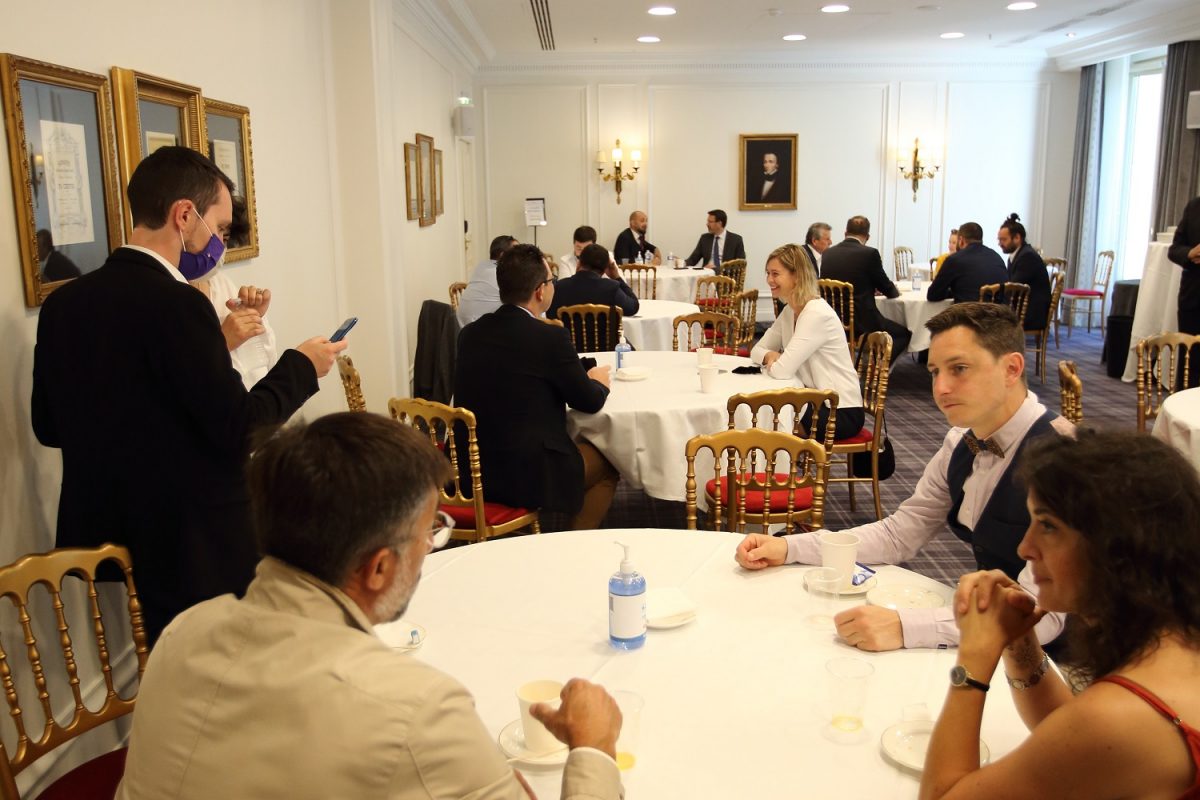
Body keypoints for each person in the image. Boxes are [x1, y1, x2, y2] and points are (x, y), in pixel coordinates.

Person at [115, 412, 624, 800]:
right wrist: (593, 749)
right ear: (378, 568)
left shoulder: (183, 632)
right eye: (430, 532)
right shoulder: (418, 709)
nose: (431, 546)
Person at [31, 146, 345, 644]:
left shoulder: (63, 304)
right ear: (183, 216)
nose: (219, 242)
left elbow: (49, 426)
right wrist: (302, 366)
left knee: (166, 661)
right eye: (218, 228)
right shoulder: (179, 304)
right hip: (190, 534)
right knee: (220, 662)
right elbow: (240, 426)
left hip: (106, 526)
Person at [736, 303, 1071, 652]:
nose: (941, 388)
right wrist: (790, 547)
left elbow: (1044, 615)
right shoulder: (962, 441)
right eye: (935, 371)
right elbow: (900, 534)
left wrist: (905, 626)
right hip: (994, 629)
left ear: (1012, 369)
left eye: (959, 369)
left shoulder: (1063, 460)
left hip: (1071, 659)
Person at [920, 431, 1200, 800]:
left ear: (1117, 545)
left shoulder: (1118, 717)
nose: (1025, 548)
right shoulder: (1177, 636)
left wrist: (973, 658)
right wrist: (1018, 641)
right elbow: (1071, 740)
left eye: (1048, 526)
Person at [455, 244, 619, 530]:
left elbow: (517, 370)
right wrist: (599, 383)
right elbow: (589, 401)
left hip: (471, 470)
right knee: (610, 462)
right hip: (527, 475)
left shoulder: (470, 334)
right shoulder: (549, 338)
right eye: (551, 280)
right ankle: (573, 543)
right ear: (540, 291)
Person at [751, 243, 864, 440]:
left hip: (838, 410)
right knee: (766, 411)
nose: (769, 280)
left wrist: (775, 360)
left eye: (775, 274)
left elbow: (781, 371)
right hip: (813, 400)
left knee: (769, 418)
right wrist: (770, 355)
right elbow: (756, 350)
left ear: (797, 276)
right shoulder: (790, 310)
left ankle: (775, 459)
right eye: (768, 273)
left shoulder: (816, 313)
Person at [189, 197, 278, 389]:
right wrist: (221, 343)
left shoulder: (222, 285)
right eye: (218, 230)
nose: (219, 246)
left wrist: (255, 319)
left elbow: (266, 367)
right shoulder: (168, 297)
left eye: (225, 236)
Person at [819, 215, 912, 364]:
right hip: (861, 322)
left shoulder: (827, 253)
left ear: (845, 233)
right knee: (903, 334)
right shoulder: (870, 254)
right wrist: (893, 290)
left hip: (832, 317)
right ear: (867, 237)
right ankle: (879, 368)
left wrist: (868, 288)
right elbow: (888, 289)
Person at [549, 243, 640, 322]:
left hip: (567, 337)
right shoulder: (611, 288)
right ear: (604, 270)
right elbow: (633, 307)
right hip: (604, 337)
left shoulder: (559, 287)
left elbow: (550, 316)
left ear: (579, 263)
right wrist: (617, 277)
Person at [927, 222, 1008, 305]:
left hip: (969, 312)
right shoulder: (997, 257)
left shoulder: (954, 260)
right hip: (999, 311)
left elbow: (933, 295)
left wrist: (952, 292)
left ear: (961, 240)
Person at [997, 213, 1050, 332]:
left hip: (1031, 314)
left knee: (988, 317)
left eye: (1003, 240)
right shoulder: (1017, 255)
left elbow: (1013, 288)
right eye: (999, 240)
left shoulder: (1027, 257)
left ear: (1017, 238)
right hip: (1022, 308)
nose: (1000, 244)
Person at [1168, 195, 1200, 388]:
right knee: (1189, 361)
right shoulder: (1194, 206)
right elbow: (1174, 250)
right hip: (1192, 297)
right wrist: (1189, 253)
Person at [457, 234, 518, 326]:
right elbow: (522, 303)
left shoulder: (482, 266)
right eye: (516, 252)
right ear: (503, 255)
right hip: (479, 329)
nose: (521, 256)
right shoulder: (502, 273)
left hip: (462, 326)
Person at [684, 209, 746, 273]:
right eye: (708, 221)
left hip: (726, 276)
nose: (707, 224)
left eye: (710, 222)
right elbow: (693, 259)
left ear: (719, 223)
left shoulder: (736, 240)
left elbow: (741, 264)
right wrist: (682, 263)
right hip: (707, 275)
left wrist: (718, 269)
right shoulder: (705, 238)